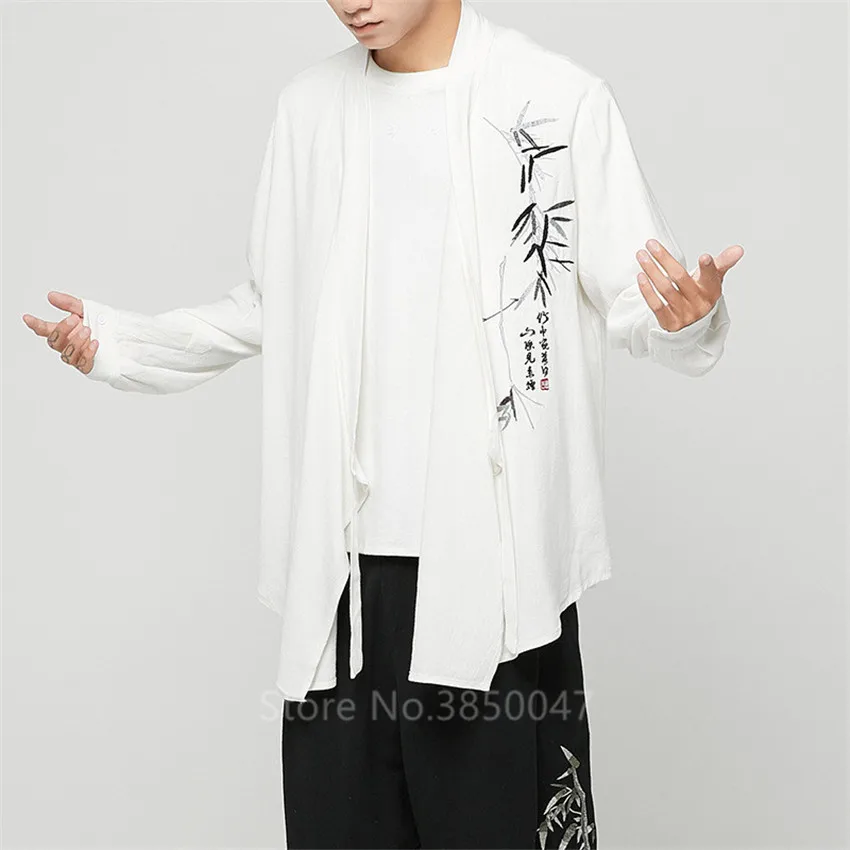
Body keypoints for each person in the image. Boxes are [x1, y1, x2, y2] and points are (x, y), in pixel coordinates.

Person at [22, 1, 744, 847]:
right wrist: (124, 343)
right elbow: (275, 304)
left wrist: (689, 319)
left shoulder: (554, 99)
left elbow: (639, 297)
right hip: (343, 588)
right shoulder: (309, 110)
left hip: (496, 585)